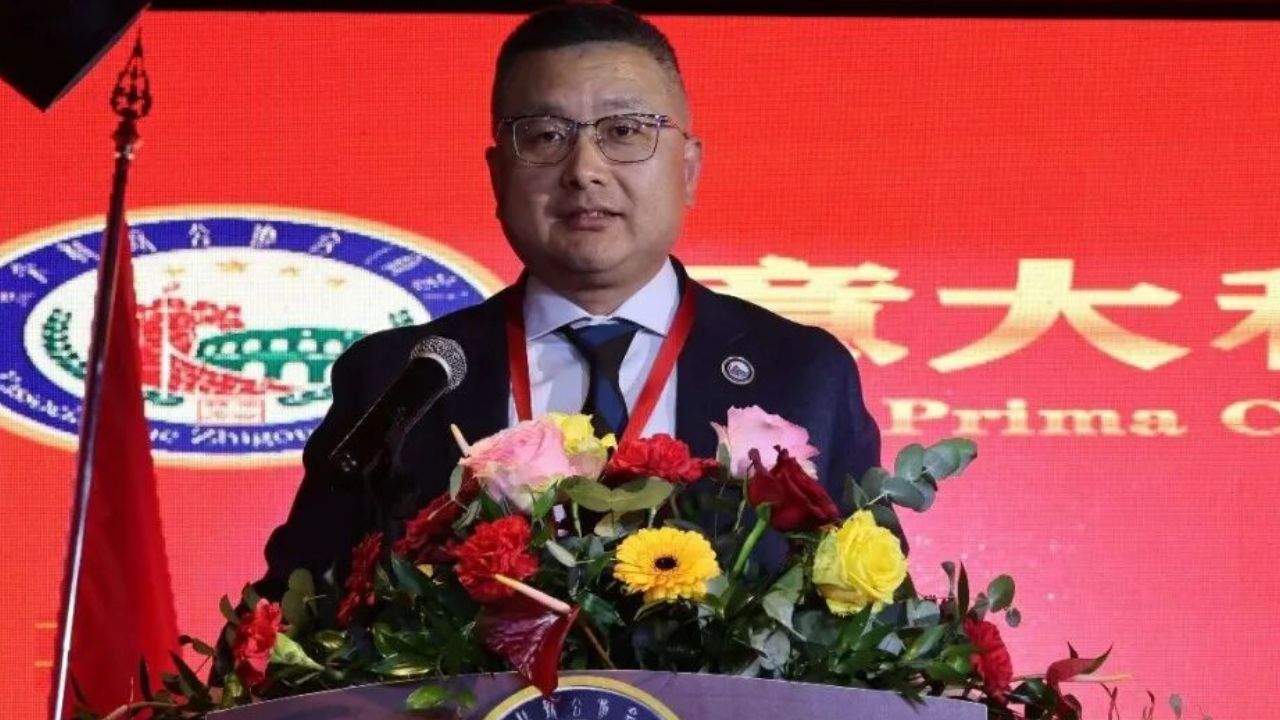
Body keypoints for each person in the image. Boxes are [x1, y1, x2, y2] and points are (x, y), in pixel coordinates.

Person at [255, 4, 882, 600]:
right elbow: (296, 611)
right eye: (545, 135)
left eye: (625, 131)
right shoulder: (398, 378)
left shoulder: (801, 371)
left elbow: (874, 628)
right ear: (498, 175)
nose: (584, 169)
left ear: (689, 168)